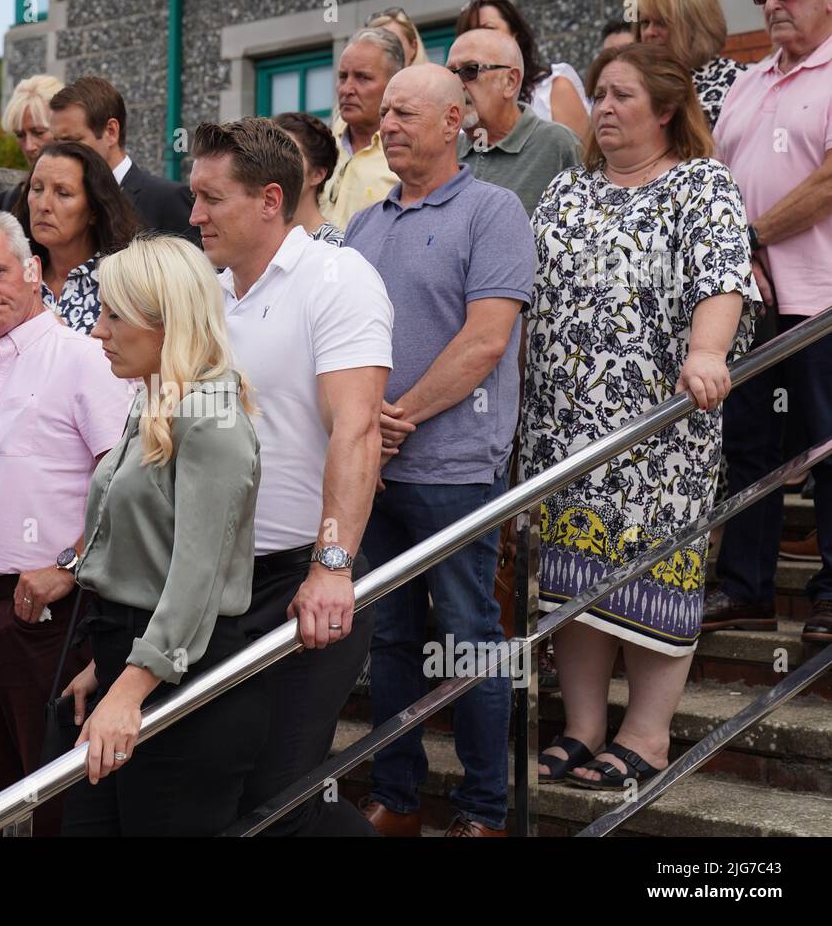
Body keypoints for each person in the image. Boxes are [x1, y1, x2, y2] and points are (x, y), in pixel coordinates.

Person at [522, 43, 758, 789]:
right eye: (599, 94)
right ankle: (584, 726)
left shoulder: (701, 185)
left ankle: (648, 734)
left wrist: (708, 351)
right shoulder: (565, 191)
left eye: (623, 95)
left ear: (666, 110)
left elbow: (722, 279)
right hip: (561, 426)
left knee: (655, 573)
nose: (605, 108)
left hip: (657, 427)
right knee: (571, 578)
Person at [345, 65, 537, 838]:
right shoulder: (362, 224)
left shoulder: (494, 210)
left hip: (457, 468)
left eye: (405, 113)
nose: (387, 124)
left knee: (470, 638)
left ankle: (484, 813)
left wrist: (400, 415)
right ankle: (397, 798)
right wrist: (371, 429)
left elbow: (487, 340)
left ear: (455, 119)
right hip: (377, 473)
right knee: (390, 640)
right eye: (383, 113)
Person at [189, 117, 395, 835]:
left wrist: (332, 565)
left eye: (213, 199)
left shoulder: (337, 279)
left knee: (276, 799)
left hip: (300, 579)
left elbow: (358, 427)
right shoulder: (207, 296)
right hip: (210, 584)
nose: (195, 215)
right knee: (217, 787)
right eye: (194, 197)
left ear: (270, 199)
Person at [0, 209, 132, 835]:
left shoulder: (83, 359)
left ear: (33, 270)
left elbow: (127, 482)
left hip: (49, 612)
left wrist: (68, 566)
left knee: (61, 798)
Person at [56, 235, 266, 836]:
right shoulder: (156, 400)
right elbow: (147, 550)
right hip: (136, 658)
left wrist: (130, 686)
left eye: (114, 314)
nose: (98, 331)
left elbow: (196, 580)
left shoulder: (211, 418)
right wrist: (109, 667)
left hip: (184, 682)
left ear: (165, 319)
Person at [707, 0, 832, 645]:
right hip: (751, 301)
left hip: (821, 296)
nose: (773, 5)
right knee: (748, 446)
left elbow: (828, 183)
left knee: (827, 443)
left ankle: (831, 591)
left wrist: (752, 236)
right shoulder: (748, 79)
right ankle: (747, 588)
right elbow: (722, 176)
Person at [47, 76, 200, 244]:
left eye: (72, 142)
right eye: (55, 143)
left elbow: (196, 268)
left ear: (111, 132)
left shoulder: (167, 200)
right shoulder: (49, 204)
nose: (60, 153)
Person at [449, 28, 582, 214]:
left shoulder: (558, 145)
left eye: (470, 70)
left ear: (510, 82)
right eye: (450, 74)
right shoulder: (446, 151)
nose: (456, 83)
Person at [13, 140, 139, 335]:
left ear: (94, 210)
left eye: (63, 193)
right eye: (37, 189)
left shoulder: (123, 284)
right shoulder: (16, 277)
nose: (43, 205)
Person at [456, 0, 591, 139]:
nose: (477, 40)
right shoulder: (458, 101)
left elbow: (582, 157)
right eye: (469, 33)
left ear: (516, 36)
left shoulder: (554, 89)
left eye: (488, 29)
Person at [632, 0, 747, 128]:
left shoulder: (739, 83)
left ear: (694, 25)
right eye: (645, 23)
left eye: (661, 22)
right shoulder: (634, 82)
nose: (649, 32)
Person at [320, 28, 406, 229]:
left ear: (394, 83)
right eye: (342, 77)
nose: (347, 89)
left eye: (363, 78)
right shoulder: (321, 145)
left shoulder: (407, 156)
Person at [0, 74, 66, 213]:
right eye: (20, 135)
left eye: (38, 132)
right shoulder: (4, 205)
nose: (29, 146)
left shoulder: (97, 200)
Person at [273, 111, 345, 245]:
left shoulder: (335, 247)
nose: (273, 164)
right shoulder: (255, 241)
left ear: (318, 175)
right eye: (269, 154)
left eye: (288, 156)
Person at [365, 7, 431, 66]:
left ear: (414, 47)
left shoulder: (433, 78)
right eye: (377, 45)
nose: (386, 52)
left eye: (394, 43)